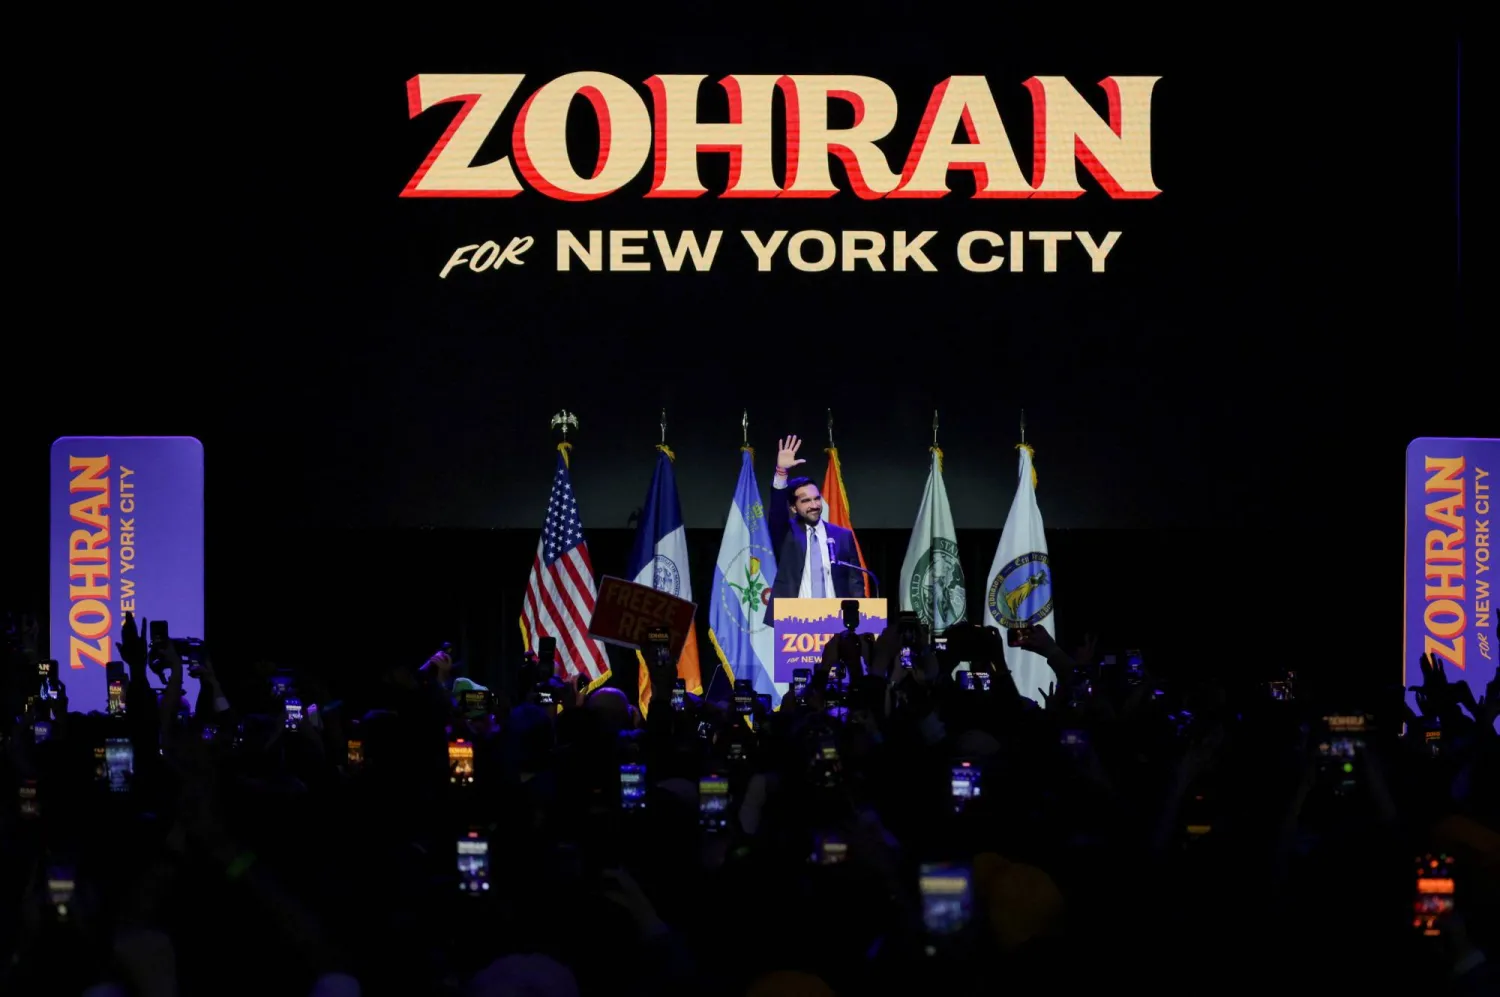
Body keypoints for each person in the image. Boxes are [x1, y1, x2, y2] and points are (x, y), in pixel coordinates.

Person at [766, 435, 862, 622]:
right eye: (806, 501)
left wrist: (859, 618)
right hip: (796, 619)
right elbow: (777, 514)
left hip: (838, 619)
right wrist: (781, 473)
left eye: (816, 498)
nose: (814, 505)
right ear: (794, 507)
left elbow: (855, 581)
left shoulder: (842, 536)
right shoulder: (788, 533)